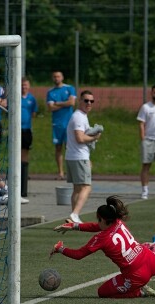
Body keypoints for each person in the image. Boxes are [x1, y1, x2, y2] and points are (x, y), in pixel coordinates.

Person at [64, 90, 101, 224]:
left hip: (74, 156)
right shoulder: (79, 116)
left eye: (91, 101)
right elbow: (80, 138)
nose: (89, 103)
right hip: (78, 157)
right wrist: (94, 137)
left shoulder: (81, 116)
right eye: (86, 100)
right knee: (87, 187)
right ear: (80, 101)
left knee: (77, 188)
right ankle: (75, 214)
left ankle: (73, 218)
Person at [46, 71, 76, 180]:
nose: (56, 78)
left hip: (69, 123)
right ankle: (60, 172)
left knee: (70, 147)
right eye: (54, 76)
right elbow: (50, 108)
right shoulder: (50, 92)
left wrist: (57, 103)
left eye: (58, 76)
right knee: (58, 148)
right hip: (57, 124)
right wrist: (64, 103)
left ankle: (71, 172)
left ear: (62, 77)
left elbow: (71, 103)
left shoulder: (70, 88)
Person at [20, 77, 38, 199]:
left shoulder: (32, 99)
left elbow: (33, 113)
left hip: (27, 129)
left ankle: (24, 172)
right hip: (16, 129)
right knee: (16, 151)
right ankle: (17, 171)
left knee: (25, 151)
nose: (24, 87)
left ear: (29, 86)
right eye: (22, 85)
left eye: (25, 85)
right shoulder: (16, 97)